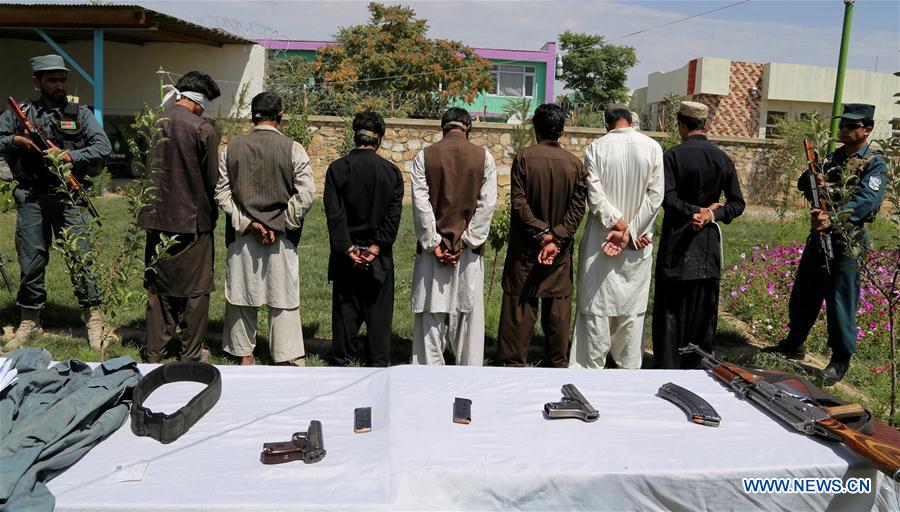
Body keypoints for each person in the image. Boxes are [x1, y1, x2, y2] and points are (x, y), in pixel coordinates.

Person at [765, 104, 887, 383]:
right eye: (842, 125)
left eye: (851, 126)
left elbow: (867, 201)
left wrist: (831, 218)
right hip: (820, 236)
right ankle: (794, 343)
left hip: (847, 239)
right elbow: (803, 184)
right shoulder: (833, 160)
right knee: (804, 292)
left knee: (840, 299)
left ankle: (840, 358)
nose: (844, 130)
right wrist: (814, 180)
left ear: (866, 130)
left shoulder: (875, 164)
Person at [0, 54, 111, 351]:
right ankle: (29, 319)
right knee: (32, 258)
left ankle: (93, 318)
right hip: (32, 196)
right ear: (37, 82)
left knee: (80, 258)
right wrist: (15, 142)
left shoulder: (80, 113)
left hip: (69, 197)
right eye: (52, 80)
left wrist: (69, 155)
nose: (60, 85)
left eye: (62, 79)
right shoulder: (20, 112)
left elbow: (103, 146)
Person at [216, 92, 314, 366]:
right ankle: (284, 355)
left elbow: (222, 194)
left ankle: (243, 352)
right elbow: (306, 194)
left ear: (252, 116)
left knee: (241, 294)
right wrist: (280, 224)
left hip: (242, 233)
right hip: (281, 238)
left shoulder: (231, 149)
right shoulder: (294, 148)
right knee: (282, 296)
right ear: (280, 117)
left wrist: (249, 223)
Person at [569, 105, 663, 369]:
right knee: (631, 316)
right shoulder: (652, 148)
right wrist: (630, 231)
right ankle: (628, 380)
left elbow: (595, 196)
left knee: (596, 314)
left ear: (606, 124)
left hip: (602, 243)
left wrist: (618, 226)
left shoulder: (597, 148)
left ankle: (587, 379)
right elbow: (656, 197)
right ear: (632, 121)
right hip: (636, 244)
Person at [652, 101, 745, 369]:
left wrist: (692, 211)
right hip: (706, 250)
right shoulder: (722, 158)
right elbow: (737, 204)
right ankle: (698, 368)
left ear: (681, 124)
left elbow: (666, 198)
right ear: (705, 125)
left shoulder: (672, 156)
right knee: (702, 312)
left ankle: (668, 366)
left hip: (677, 245)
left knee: (670, 311)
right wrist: (710, 214)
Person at [138, 71, 220, 363]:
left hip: (156, 218)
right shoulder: (203, 129)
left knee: (158, 288)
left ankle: (154, 352)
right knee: (196, 291)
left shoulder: (153, 122)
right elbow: (212, 179)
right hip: (193, 221)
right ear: (199, 102)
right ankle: (190, 353)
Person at [496, 103, 586, 368]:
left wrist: (543, 234)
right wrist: (556, 238)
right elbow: (577, 208)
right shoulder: (575, 164)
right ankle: (557, 363)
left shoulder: (524, 157)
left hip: (527, 246)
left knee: (520, 304)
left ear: (536, 128)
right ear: (562, 130)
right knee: (558, 306)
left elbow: (519, 203)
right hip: (558, 251)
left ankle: (513, 364)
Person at [410, 107, 497, 365]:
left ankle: (427, 382)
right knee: (468, 326)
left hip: (432, 255)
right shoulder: (484, 158)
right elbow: (487, 206)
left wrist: (435, 243)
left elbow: (420, 204)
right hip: (467, 255)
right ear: (467, 128)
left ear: (443, 127)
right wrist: (466, 241)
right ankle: (468, 381)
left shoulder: (424, 157)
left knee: (430, 323)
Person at [324, 111, 403, 367]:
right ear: (379, 139)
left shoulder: (337, 169)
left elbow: (334, 215)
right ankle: (377, 367)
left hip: (346, 256)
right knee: (379, 320)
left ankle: (342, 362)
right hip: (378, 257)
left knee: (344, 315)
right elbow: (392, 219)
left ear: (354, 135)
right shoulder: (391, 172)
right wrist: (376, 247)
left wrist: (348, 247)